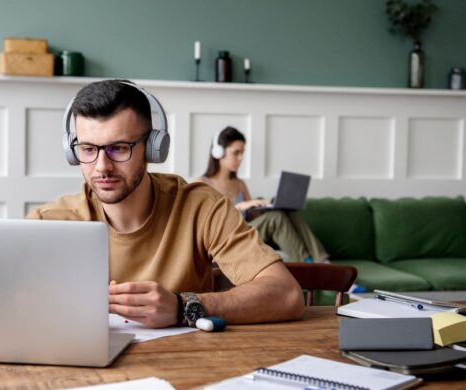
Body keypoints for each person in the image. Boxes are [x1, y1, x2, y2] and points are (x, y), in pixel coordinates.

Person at [27, 80, 304, 329]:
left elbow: (287, 294)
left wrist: (183, 307)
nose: (102, 167)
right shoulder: (47, 222)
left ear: (153, 149)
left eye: (119, 148)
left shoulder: (202, 208)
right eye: (88, 149)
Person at [197, 126, 328, 263]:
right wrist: (240, 206)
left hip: (247, 230)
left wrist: (264, 206)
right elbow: (204, 223)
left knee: (288, 211)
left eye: (242, 152)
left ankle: (322, 261)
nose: (241, 158)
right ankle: (309, 264)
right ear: (218, 152)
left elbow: (252, 217)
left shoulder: (239, 184)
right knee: (275, 218)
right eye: (236, 153)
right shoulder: (201, 183)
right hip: (226, 238)